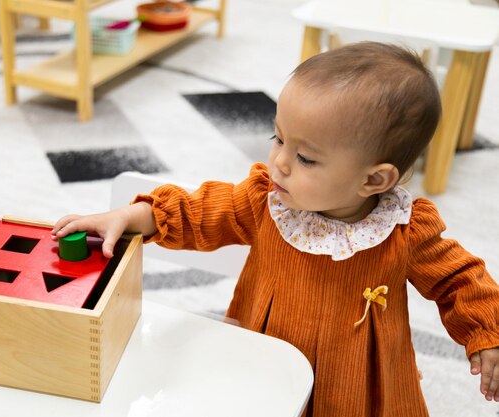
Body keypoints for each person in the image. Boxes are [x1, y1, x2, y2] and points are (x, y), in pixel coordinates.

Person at [51, 42, 499, 416]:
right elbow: (195, 212)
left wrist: (487, 336)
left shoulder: (403, 231)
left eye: (305, 157)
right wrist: (129, 218)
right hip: (261, 363)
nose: (280, 162)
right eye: (278, 138)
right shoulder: (266, 201)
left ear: (374, 180)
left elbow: (461, 279)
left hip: (356, 387)